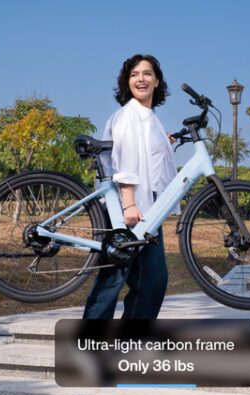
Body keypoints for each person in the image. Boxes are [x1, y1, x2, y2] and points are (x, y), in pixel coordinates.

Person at [82, 54, 178, 319]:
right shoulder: (128, 116)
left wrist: (165, 142)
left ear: (157, 81)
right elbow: (125, 161)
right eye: (134, 74)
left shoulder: (150, 119)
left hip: (147, 213)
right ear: (127, 81)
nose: (141, 79)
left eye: (147, 74)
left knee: (151, 282)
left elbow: (150, 160)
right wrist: (129, 204)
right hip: (127, 210)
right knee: (114, 279)